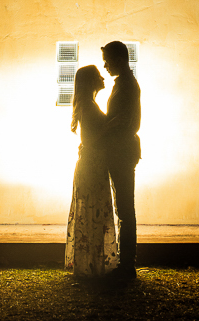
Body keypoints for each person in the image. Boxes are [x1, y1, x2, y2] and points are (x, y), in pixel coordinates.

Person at [64, 64, 119, 277]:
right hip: (92, 163)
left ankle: (93, 263)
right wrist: (110, 126)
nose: (103, 77)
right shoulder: (88, 105)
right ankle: (92, 265)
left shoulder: (87, 104)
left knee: (93, 212)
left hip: (92, 162)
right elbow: (91, 138)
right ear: (90, 82)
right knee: (94, 212)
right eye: (98, 76)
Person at [101, 40, 141, 279]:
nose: (104, 65)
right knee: (124, 208)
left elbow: (122, 120)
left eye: (107, 60)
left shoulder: (126, 85)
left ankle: (128, 265)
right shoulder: (125, 83)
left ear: (118, 59)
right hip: (123, 150)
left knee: (125, 209)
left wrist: (101, 130)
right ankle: (126, 263)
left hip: (122, 151)